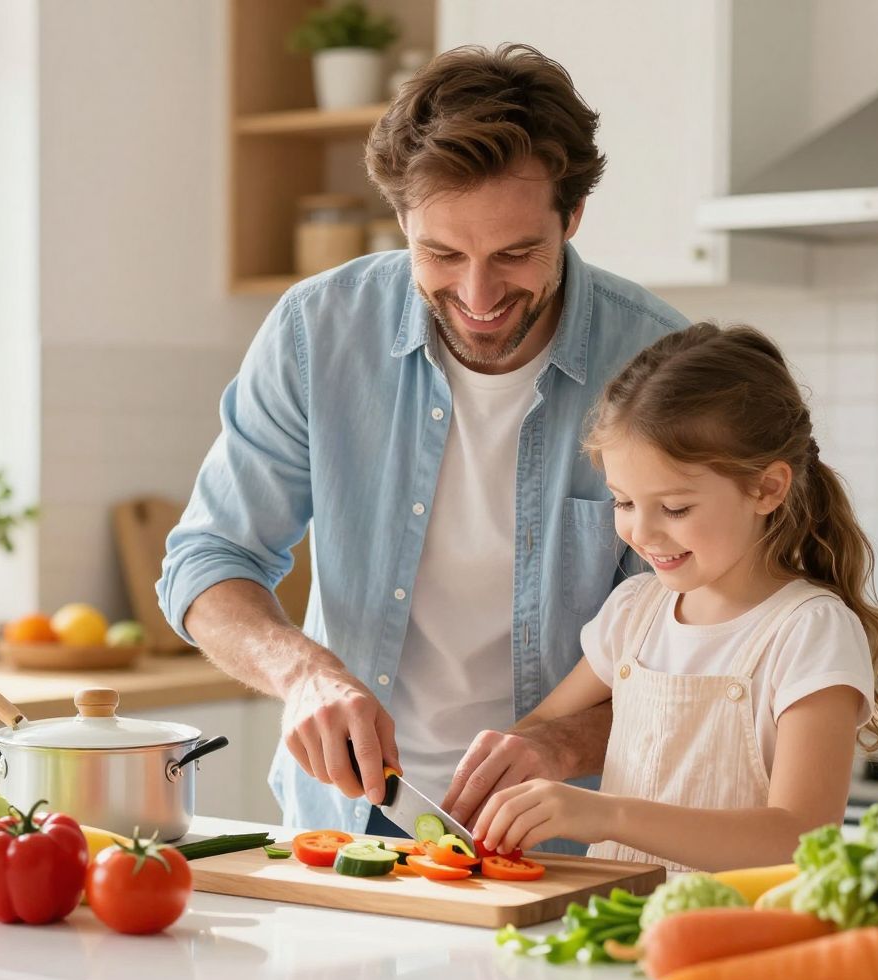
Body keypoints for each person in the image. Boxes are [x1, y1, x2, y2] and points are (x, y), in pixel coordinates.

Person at [157, 43, 688, 840]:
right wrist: (301, 673)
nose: (478, 296)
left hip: (569, 833)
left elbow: (708, 645)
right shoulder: (318, 332)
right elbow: (207, 561)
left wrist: (562, 739)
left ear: (571, 217)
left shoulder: (658, 365)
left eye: (515, 253)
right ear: (402, 218)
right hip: (343, 824)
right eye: (440, 253)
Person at [464, 322, 878, 870]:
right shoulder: (635, 611)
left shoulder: (809, 632)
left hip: (735, 940)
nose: (642, 533)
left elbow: (799, 840)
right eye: (624, 502)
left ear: (767, 488)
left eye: (675, 509)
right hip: (613, 928)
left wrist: (607, 815)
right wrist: (504, 765)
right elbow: (536, 731)